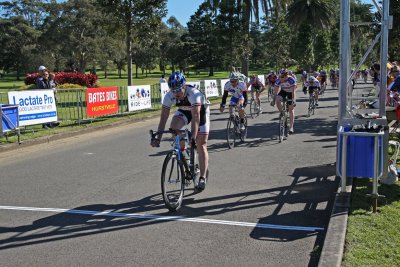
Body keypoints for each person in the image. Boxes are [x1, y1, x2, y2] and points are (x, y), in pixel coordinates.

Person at [150, 72, 210, 192]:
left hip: (200, 112)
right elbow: (163, 118)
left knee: (200, 144)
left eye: (178, 90)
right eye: (173, 90)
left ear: (184, 86)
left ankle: (202, 177)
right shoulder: (169, 96)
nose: (176, 94)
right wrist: (158, 138)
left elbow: (196, 117)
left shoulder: (194, 94)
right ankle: (184, 154)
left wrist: (193, 137)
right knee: (173, 127)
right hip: (184, 111)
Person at [271, 69, 297, 134]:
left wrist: (293, 100)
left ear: (286, 76)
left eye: (282, 77)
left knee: (291, 109)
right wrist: (273, 100)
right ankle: (282, 113)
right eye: (279, 76)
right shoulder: (278, 80)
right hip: (283, 91)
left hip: (291, 92)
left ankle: (291, 127)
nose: (280, 78)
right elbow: (275, 92)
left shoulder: (291, 80)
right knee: (277, 100)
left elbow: (293, 91)